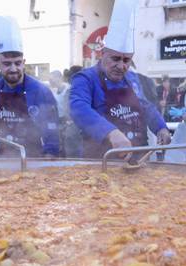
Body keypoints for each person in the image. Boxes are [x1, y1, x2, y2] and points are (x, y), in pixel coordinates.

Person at [69, 0, 170, 159]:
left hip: (139, 159)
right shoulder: (85, 79)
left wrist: (161, 128)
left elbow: (145, 106)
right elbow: (79, 108)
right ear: (103, 54)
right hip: (101, 162)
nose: (121, 66)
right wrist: (111, 132)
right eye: (115, 59)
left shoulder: (132, 79)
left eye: (126, 60)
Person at [0, 16, 59, 157]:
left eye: (17, 63)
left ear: (24, 63)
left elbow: (52, 129)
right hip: (3, 154)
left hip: (32, 154)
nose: (13, 69)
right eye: (7, 64)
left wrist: (51, 156)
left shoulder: (40, 91)